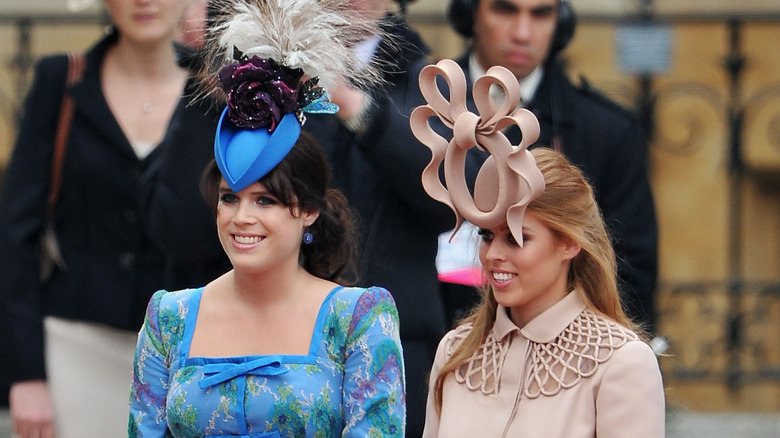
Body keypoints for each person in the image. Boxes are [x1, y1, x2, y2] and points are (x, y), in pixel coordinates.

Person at [128, 1, 405, 436]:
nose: (242, 218)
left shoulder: (358, 319)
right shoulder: (169, 318)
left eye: (266, 201)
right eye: (229, 198)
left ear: (309, 210)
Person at [0, 0, 229, 436]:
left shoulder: (216, 92)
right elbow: (16, 234)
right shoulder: (61, 79)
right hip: (74, 347)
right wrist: (25, 374)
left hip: (191, 353)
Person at [410, 59, 665, 437]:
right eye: (486, 235)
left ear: (569, 242)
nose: (494, 253)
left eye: (516, 237)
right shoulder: (455, 351)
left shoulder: (621, 362)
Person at [303, 2, 484, 434]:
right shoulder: (272, 74)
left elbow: (464, 195)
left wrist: (360, 111)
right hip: (293, 337)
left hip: (400, 340)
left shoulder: (431, 80)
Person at [441, 0, 660, 336]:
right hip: (431, 344)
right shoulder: (416, 110)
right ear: (470, 13)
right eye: (505, 10)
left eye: (541, 14)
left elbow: (629, 271)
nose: (523, 33)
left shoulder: (606, 131)